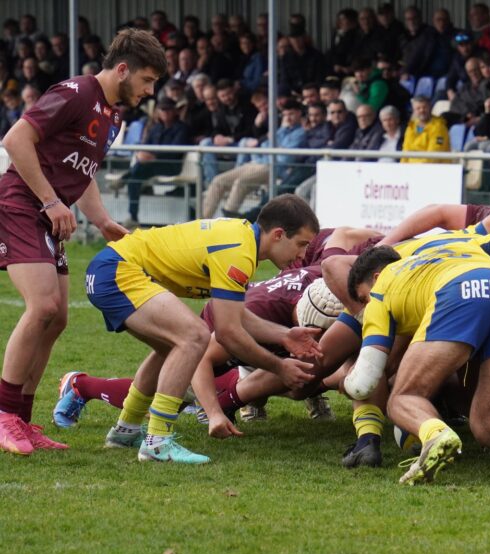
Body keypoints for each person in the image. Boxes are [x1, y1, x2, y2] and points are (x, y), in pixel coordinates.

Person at [0, 28, 164, 456]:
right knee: (43, 307)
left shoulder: (114, 117)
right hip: (21, 204)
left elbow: (83, 171)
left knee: (57, 321)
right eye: (147, 80)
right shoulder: (75, 92)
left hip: (50, 216)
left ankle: (22, 420)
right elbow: (16, 139)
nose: (149, 91)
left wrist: (104, 220)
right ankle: (2, 415)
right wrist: (52, 201)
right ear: (123, 69)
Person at [86, 195, 321, 463]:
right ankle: (157, 441)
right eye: (301, 244)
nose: (302, 255)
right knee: (194, 335)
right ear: (279, 234)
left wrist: (283, 335)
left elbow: (236, 315)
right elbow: (228, 333)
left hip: (111, 269)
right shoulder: (239, 250)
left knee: (170, 347)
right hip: (117, 271)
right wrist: (279, 367)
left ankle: (126, 431)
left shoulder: (241, 241)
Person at [343, 241, 490, 486]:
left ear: (376, 276)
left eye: (363, 298)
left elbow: (364, 380)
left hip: (460, 288)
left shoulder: (382, 288)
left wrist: (343, 377)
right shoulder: (451, 248)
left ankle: (436, 435)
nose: (365, 306)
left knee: (403, 398)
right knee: (487, 422)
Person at [203, 99, 305, 218]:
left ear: (299, 113)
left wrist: (273, 145)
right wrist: (279, 137)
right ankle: (202, 221)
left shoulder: (300, 132)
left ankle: (227, 220)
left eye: (291, 114)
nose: (288, 118)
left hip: (273, 167)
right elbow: (264, 145)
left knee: (241, 182)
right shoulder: (281, 130)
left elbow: (285, 159)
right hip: (258, 163)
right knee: (218, 180)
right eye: (285, 115)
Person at [122, 97, 190, 228]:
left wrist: (152, 156)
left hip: (171, 166)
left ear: (175, 111)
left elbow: (175, 151)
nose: (165, 112)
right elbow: (145, 145)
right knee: (135, 176)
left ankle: (124, 179)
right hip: (150, 165)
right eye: (162, 110)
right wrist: (142, 154)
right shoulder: (156, 128)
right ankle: (133, 215)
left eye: (168, 110)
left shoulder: (182, 128)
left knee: (135, 174)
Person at [400, 96, 449, 164]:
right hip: (412, 169)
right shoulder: (411, 127)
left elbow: (434, 155)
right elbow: (405, 151)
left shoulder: (439, 127)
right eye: (418, 108)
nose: (422, 110)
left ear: (430, 108)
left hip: (434, 170)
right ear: (414, 111)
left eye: (424, 107)